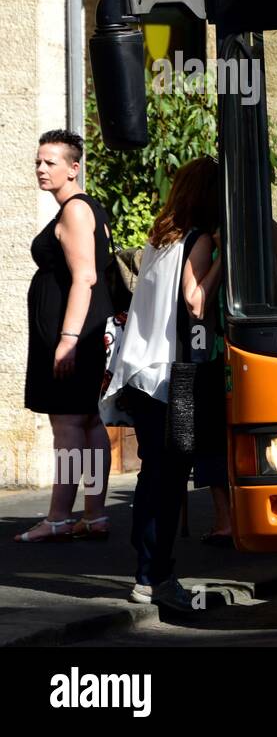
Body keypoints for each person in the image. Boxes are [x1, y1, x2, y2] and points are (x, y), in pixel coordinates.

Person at [105, 157, 224, 613]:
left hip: (141, 373)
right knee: (171, 479)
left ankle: (148, 571)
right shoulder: (196, 241)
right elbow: (195, 304)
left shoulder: (160, 240)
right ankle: (155, 576)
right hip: (178, 380)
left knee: (154, 474)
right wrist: (222, 261)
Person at [14, 131, 114, 543]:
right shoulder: (83, 209)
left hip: (76, 333)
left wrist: (68, 338)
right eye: (38, 161)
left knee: (70, 425)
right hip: (80, 331)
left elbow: (85, 276)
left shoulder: (74, 210)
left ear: (74, 168)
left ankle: (58, 517)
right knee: (88, 422)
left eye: (50, 162)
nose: (41, 169)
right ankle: (92, 515)